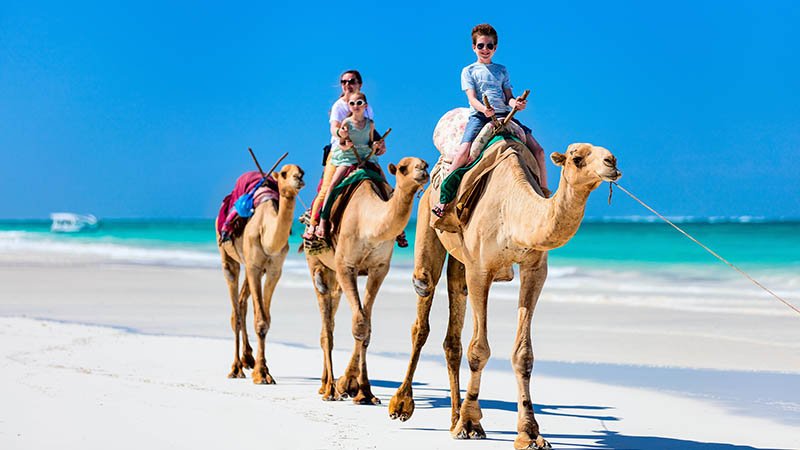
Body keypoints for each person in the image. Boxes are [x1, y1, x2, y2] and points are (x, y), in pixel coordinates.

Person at [432, 23, 550, 218]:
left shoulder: (501, 70)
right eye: (481, 45)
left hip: (504, 115)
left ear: (495, 48)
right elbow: (472, 99)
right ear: (474, 47)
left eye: (489, 46)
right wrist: (484, 110)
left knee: (539, 151)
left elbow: (508, 97)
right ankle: (444, 198)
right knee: (463, 152)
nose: (485, 49)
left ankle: (544, 195)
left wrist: (516, 104)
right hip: (480, 116)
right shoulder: (468, 71)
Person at [314, 92, 386, 239]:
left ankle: (393, 222)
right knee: (333, 185)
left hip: (366, 156)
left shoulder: (370, 124)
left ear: (365, 106)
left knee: (384, 183)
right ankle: (323, 220)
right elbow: (341, 144)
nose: (355, 106)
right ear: (349, 106)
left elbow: (370, 142)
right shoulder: (346, 123)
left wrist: (374, 146)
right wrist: (346, 145)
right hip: (348, 157)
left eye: (359, 103)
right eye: (352, 103)